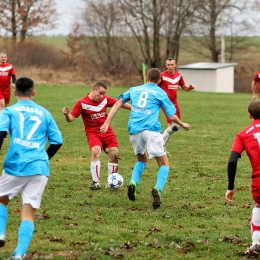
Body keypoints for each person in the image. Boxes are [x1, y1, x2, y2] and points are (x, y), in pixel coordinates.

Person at [100, 68, 190, 209]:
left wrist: (106, 123)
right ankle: (157, 189)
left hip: (134, 131)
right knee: (164, 165)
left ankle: (134, 182)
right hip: (151, 130)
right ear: (159, 80)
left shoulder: (134, 89)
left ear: (146, 78)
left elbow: (117, 103)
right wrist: (182, 123)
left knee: (142, 160)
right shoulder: (161, 92)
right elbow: (171, 116)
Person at [0, 77, 63, 260]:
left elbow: (1, 133)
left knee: (1, 199)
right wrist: (43, 158)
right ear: (33, 92)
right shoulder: (44, 113)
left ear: (14, 92)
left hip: (15, 165)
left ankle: (1, 233)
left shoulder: (9, 111)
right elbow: (57, 142)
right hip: (39, 168)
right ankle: (19, 254)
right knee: (28, 212)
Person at [62, 81, 131, 190]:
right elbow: (70, 119)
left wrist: (134, 108)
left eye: (104, 93)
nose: (102, 96)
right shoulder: (81, 103)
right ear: (93, 90)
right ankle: (96, 182)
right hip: (93, 132)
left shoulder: (105, 99)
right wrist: (66, 114)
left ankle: (110, 182)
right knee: (95, 151)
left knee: (114, 154)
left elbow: (119, 103)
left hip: (107, 131)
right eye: (100, 93)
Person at [225, 99, 260, 254]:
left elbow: (232, 161)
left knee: (259, 207)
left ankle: (256, 243)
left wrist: (231, 187)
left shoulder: (242, 134)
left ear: (249, 115)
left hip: (259, 181)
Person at [158, 57, 194, 144]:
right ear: (166, 66)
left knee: (175, 126)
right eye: (168, 65)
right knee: (172, 125)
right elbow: (154, 86)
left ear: (175, 65)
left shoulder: (178, 76)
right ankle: (159, 145)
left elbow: (184, 87)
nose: (170, 66)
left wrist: (190, 87)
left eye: (172, 65)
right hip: (165, 103)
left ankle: (161, 145)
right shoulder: (162, 76)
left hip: (174, 103)